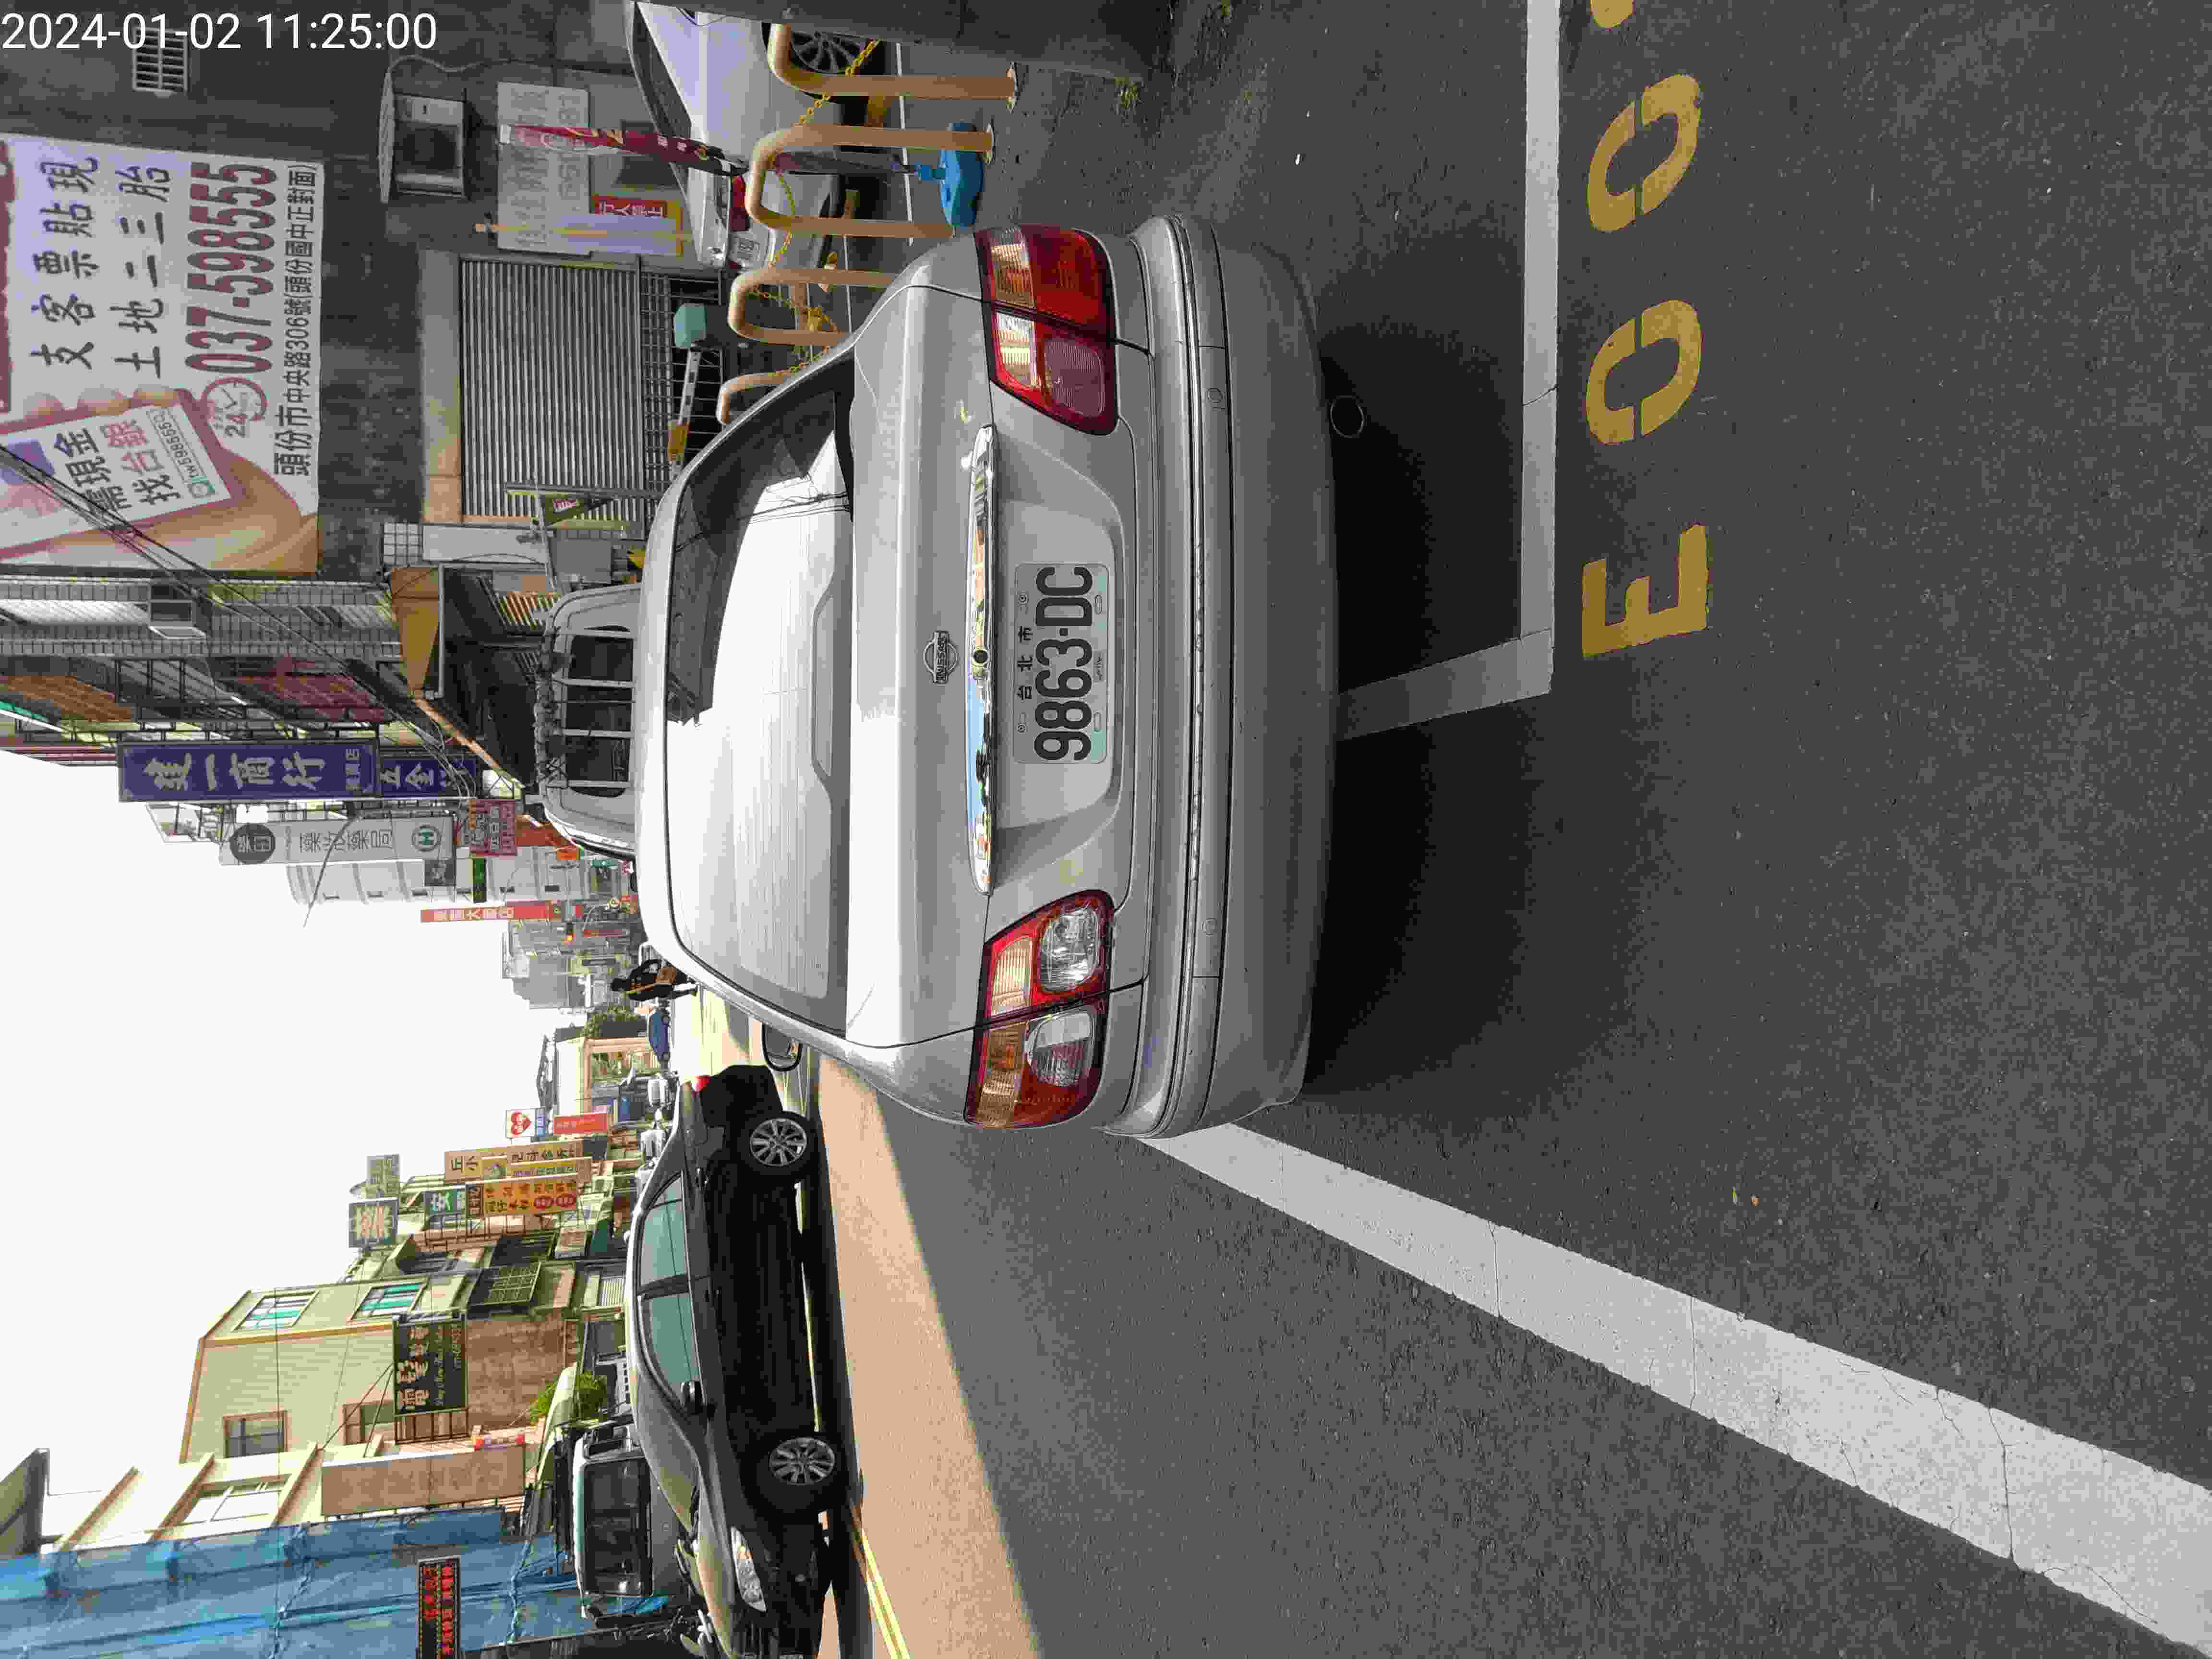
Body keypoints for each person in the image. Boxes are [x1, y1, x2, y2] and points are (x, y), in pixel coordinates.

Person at [615, 960, 693, 1003]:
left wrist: (655, 993)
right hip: (661, 978)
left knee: (670, 995)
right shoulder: (633, 975)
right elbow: (645, 965)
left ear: (620, 989)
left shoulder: (632, 995)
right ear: (622, 979)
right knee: (682, 977)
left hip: (661, 991)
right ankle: (689, 979)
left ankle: (689, 991)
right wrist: (657, 961)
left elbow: (645, 998)